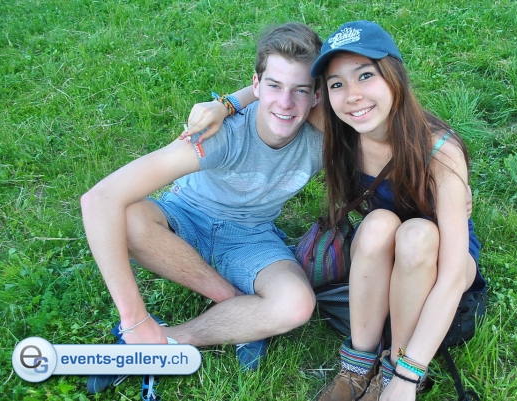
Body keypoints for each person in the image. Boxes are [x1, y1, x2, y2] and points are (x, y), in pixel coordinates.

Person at [80, 22, 323, 396]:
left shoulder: (325, 139)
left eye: (300, 90)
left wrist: (230, 99)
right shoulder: (220, 133)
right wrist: (133, 318)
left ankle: (163, 342)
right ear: (256, 85)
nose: (285, 103)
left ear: (318, 95)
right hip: (186, 216)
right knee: (127, 218)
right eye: (274, 86)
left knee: (296, 305)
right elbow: (100, 199)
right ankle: (232, 308)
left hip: (252, 236)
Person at [307, 21, 487, 401]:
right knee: (378, 223)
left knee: (417, 234)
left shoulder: (440, 152)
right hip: (382, 246)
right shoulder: (343, 129)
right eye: (337, 84)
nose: (352, 96)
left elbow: (454, 274)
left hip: (443, 256)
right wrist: (226, 104)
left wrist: (407, 376)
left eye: (365, 76)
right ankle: (357, 366)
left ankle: (395, 369)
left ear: (395, 76)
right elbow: (278, 96)